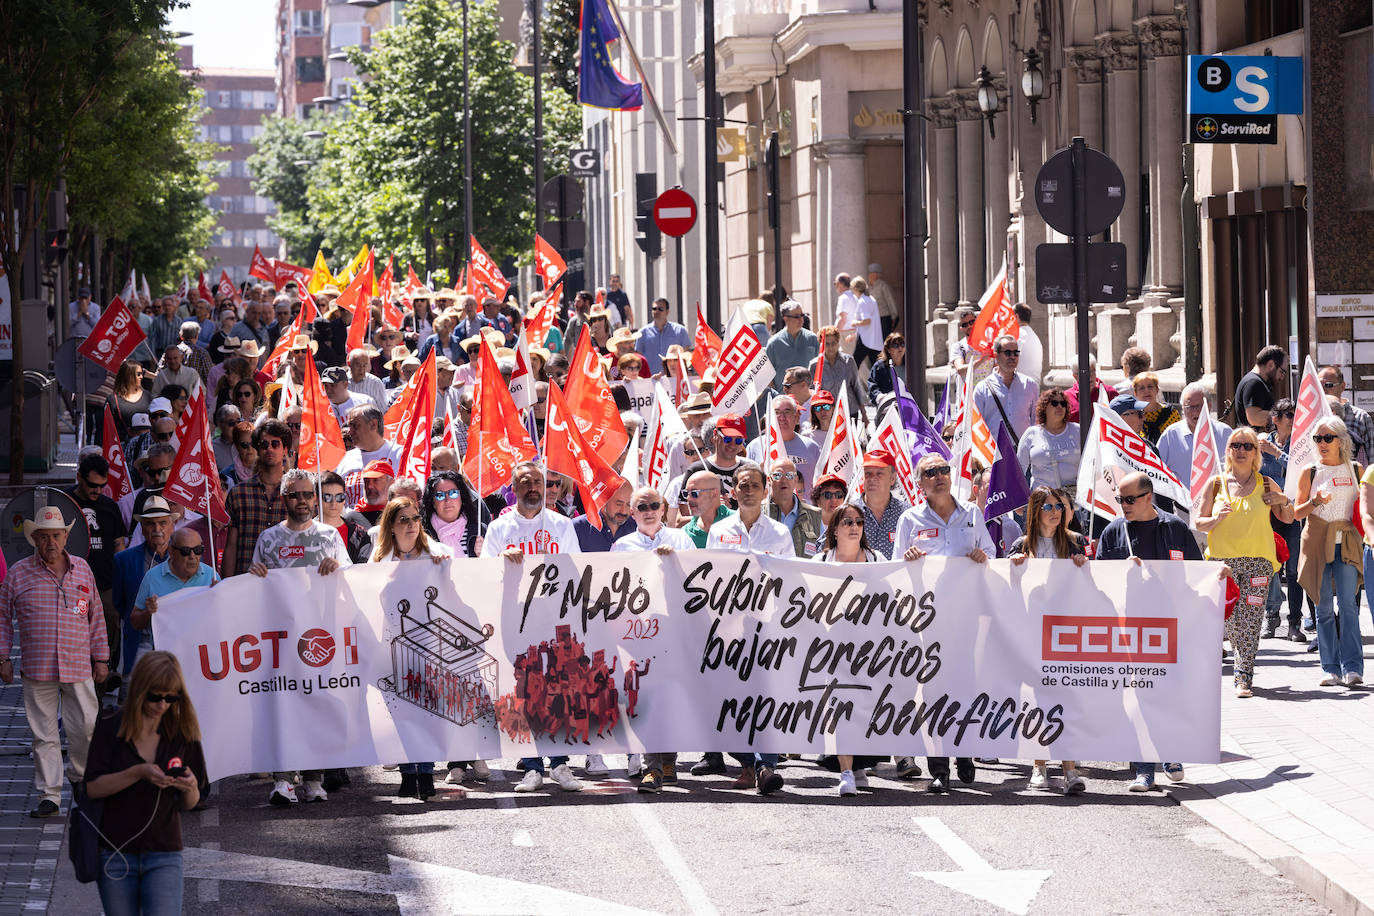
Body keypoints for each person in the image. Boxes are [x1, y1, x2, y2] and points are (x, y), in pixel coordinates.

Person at [247, 469, 350, 805]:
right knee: (282, 707)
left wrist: (338, 569)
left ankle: (314, 779)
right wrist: (255, 575)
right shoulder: (268, 539)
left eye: (307, 494)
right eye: (295, 495)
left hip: (320, 638)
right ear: (284, 498)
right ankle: (283, 781)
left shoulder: (330, 536)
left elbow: (352, 578)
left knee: (315, 706)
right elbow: (253, 588)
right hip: (279, 640)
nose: (302, 501)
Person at [1094, 472, 1200, 790]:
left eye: (1129, 499)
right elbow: (1097, 582)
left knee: (1169, 694)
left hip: (1169, 628)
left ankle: (1170, 753)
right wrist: (1120, 575)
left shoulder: (1176, 528)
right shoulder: (1113, 533)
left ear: (1148, 496)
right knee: (1139, 698)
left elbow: (1196, 572)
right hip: (1129, 630)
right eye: (1120, 500)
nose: (1124, 505)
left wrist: (1217, 572)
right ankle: (1144, 770)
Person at [0, 506, 108, 817]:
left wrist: (101, 658)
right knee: (43, 734)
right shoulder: (19, 573)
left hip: (78, 665)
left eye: (57, 535)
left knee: (86, 728)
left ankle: (80, 778)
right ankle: (49, 795)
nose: (51, 542)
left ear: (66, 536)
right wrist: (3, 656)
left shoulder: (83, 569)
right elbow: (3, 618)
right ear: (34, 538)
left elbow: (96, 616)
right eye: (44, 536)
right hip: (37, 667)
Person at [895, 453, 993, 792]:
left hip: (966, 617)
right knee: (935, 692)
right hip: (929, 620)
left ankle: (963, 751)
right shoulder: (910, 519)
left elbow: (992, 556)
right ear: (919, 483)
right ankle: (939, 767)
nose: (938, 476)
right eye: (929, 473)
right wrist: (908, 560)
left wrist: (983, 557)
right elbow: (896, 569)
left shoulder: (972, 514)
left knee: (966, 688)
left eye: (943, 470)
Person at [483, 463, 582, 792]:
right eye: (525, 482)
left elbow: (574, 569)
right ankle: (533, 767)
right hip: (515, 618)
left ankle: (560, 764)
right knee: (525, 691)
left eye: (537, 482)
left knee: (557, 690)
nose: (533, 488)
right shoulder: (499, 528)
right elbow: (482, 573)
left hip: (552, 618)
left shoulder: (562, 525)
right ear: (513, 487)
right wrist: (503, 562)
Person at [84, 651, 207, 915]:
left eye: (170, 697)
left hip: (164, 853)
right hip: (116, 854)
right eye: (155, 696)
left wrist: (191, 787)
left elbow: (190, 803)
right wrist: (138, 772)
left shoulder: (183, 731)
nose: (162, 704)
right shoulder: (110, 725)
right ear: (140, 689)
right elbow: (92, 788)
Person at [705, 462, 793, 795]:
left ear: (765, 489)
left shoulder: (780, 533)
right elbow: (711, 574)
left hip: (767, 625)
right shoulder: (719, 530)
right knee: (733, 696)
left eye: (755, 485)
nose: (749, 490)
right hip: (729, 626)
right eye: (743, 485)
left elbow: (789, 580)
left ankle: (765, 764)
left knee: (764, 696)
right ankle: (750, 763)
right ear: (734, 491)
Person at [1195, 427, 1294, 697]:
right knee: (1230, 621)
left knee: (1250, 619)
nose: (1240, 450)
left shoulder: (1266, 484)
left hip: (1258, 564)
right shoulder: (1216, 484)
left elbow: (1287, 517)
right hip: (1222, 564)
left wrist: (1284, 499)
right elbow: (1198, 522)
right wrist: (1216, 520)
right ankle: (1241, 663)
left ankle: (1243, 676)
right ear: (1228, 450)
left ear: (1256, 453)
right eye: (1235, 445)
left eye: (1247, 446)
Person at [369, 496, 453, 799]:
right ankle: (408, 773)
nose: (411, 525)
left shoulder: (439, 554)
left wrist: (446, 569)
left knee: (427, 713)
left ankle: (427, 774)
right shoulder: (379, 560)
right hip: (394, 648)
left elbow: (456, 595)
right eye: (403, 519)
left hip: (431, 647)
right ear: (391, 525)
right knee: (402, 714)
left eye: (415, 518)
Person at [1007, 486, 1089, 794]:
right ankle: (1038, 765)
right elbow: (1004, 592)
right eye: (1048, 506)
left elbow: (1092, 587)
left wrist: (1083, 568)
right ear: (1035, 511)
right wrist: (1012, 571)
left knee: (1064, 699)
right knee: (1037, 700)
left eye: (1059, 505)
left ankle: (1069, 770)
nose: (1055, 511)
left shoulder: (1075, 542)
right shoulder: (1021, 545)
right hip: (1031, 632)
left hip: (1065, 634)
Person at [813, 501, 885, 796]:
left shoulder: (878, 559)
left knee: (865, 708)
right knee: (839, 708)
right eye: (847, 522)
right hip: (833, 648)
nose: (854, 527)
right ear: (835, 529)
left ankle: (858, 764)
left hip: (870, 649)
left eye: (858, 522)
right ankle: (846, 772)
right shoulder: (820, 562)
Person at [1295, 417, 1364, 688]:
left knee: (1348, 605)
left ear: (1341, 440)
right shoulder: (1310, 472)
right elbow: (1294, 513)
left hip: (1346, 542)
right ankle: (1330, 668)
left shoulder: (1356, 469)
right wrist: (1315, 501)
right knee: (1323, 608)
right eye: (1317, 439)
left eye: (1328, 438)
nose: (1322, 444)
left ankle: (1353, 668)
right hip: (1316, 542)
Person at [67, 453, 128, 683]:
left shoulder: (109, 506)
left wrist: (121, 579)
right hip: (73, 588)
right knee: (76, 632)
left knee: (109, 632)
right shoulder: (65, 503)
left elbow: (118, 543)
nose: (97, 491)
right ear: (78, 478)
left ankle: (102, 683)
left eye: (102, 486)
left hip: (105, 586)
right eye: (92, 485)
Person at [129, 529, 219, 671]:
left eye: (198, 550)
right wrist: (148, 612)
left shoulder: (212, 576)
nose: (192, 556)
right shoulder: (152, 577)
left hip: (203, 660)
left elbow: (223, 620)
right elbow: (135, 621)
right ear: (171, 551)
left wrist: (219, 599)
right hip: (166, 663)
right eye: (185, 551)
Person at [111, 494, 176, 680]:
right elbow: (120, 603)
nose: (157, 529)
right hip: (140, 638)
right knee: (135, 695)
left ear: (172, 526)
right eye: (150, 524)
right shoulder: (123, 560)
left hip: (177, 636)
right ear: (142, 528)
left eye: (163, 523)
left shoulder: (186, 557)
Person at [222, 419, 291, 577]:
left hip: (284, 583)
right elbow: (231, 546)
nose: (269, 449)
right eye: (264, 445)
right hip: (246, 581)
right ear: (258, 449)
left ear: (285, 449)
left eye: (275, 444)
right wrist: (226, 585)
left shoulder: (294, 494)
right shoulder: (239, 494)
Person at [1260, 399, 1305, 642]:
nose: (1292, 418)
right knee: (1270, 566)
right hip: (1267, 513)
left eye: (1294, 414)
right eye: (1288, 414)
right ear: (1275, 419)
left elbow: (1301, 472)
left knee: (1294, 569)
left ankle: (1294, 622)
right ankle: (1272, 615)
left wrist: (1277, 453)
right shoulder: (1263, 440)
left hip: (1292, 512)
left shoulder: (1300, 444)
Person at [1156, 383, 1232, 497]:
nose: (1195, 411)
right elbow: (1156, 471)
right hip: (1183, 508)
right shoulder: (1170, 436)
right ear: (1182, 408)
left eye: (1199, 406)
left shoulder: (1225, 433)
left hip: (1221, 505)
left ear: (1209, 406)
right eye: (1189, 407)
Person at [972, 334, 1038, 445]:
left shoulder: (1030, 385)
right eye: (1007, 353)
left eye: (1016, 353)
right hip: (994, 455)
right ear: (996, 356)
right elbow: (976, 425)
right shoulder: (982, 389)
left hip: (1022, 456)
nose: (1012, 357)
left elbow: (1035, 422)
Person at [745, 396, 821, 489]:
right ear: (768, 417)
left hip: (803, 503)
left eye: (787, 412)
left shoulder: (812, 447)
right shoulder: (754, 447)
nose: (782, 417)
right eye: (776, 412)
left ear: (796, 418)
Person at [1017, 389, 1080, 495]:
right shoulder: (1031, 433)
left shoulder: (1078, 430)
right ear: (1044, 408)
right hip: (1042, 500)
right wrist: (1017, 499)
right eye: (1054, 403)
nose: (1060, 406)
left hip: (1072, 502)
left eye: (1063, 404)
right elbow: (1018, 470)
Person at [762, 458, 823, 558]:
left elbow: (824, 554)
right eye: (778, 475)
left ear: (796, 480)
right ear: (769, 480)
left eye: (789, 475)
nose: (784, 480)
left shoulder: (814, 515)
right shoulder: (757, 512)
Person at [857, 450, 907, 559]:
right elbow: (824, 548)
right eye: (868, 473)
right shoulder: (847, 513)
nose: (872, 478)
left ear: (892, 478)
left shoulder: (907, 514)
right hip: (857, 576)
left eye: (879, 473)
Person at [809, 326, 865, 423]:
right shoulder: (815, 365)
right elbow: (812, 391)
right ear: (821, 344)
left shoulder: (848, 361)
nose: (831, 347)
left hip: (849, 411)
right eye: (827, 344)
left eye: (833, 343)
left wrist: (864, 413)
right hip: (827, 414)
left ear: (838, 342)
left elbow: (856, 386)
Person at [1319, 365, 1373, 464]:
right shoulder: (1312, 417)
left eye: (1328, 385)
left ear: (1342, 386)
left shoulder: (1361, 417)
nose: (1323, 389)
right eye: (1319, 385)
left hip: (1353, 477)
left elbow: (1372, 460)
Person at [764, 300, 820, 391]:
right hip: (784, 400)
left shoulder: (813, 339)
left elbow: (821, 368)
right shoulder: (774, 343)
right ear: (786, 318)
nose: (801, 319)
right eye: (797, 316)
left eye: (802, 315)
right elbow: (768, 375)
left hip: (808, 399)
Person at [1234, 345, 1286, 430]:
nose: (1282, 377)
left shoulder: (1252, 380)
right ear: (1271, 364)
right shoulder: (1254, 383)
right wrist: (1285, 417)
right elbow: (1254, 417)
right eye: (1282, 372)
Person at [634, 298, 691, 375]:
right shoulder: (642, 333)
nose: (657, 311)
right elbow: (638, 359)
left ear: (667, 312)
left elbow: (686, 356)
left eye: (660, 309)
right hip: (649, 380)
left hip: (674, 379)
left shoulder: (680, 330)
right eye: (654, 309)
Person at [839, 276, 883, 372]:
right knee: (877, 366)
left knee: (854, 364)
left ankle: (850, 385)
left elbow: (867, 321)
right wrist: (854, 335)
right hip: (873, 340)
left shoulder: (863, 301)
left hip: (865, 340)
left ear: (855, 289)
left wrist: (855, 323)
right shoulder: (870, 299)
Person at [1133, 372, 1180, 444]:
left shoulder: (1171, 413)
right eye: (1141, 388)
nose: (1146, 391)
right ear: (1135, 393)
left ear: (1157, 389)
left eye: (1150, 386)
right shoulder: (1134, 416)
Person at [867, 332, 906, 404]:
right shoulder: (879, 366)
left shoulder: (910, 365)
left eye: (902, 344)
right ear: (888, 350)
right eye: (895, 345)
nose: (900, 348)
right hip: (888, 407)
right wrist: (879, 396)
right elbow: (872, 385)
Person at [866, 263, 900, 337]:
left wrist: (894, 317)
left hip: (883, 319)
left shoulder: (883, 286)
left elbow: (891, 302)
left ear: (875, 274)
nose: (868, 275)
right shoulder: (868, 288)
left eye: (870, 273)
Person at [1014, 304, 1043, 383]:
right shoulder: (1035, 337)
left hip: (1020, 386)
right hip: (1034, 385)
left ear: (1016, 317)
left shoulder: (1017, 336)